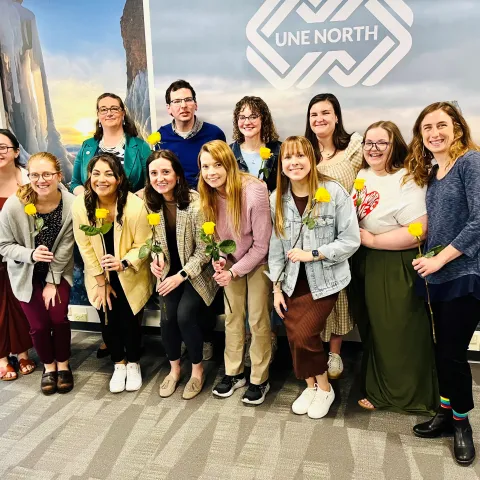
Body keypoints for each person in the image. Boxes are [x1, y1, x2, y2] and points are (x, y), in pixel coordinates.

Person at [404, 102, 480, 466]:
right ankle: (447, 414)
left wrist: (440, 258)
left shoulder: (469, 163)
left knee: (452, 353)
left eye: (441, 125)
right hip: (439, 275)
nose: (434, 133)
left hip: (465, 275)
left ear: (457, 129)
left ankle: (463, 426)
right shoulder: (434, 173)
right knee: (442, 350)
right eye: (427, 128)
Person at [348, 121, 437, 415]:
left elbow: (419, 230)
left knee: (397, 329)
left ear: (393, 145)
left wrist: (373, 239)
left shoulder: (407, 179)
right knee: (375, 329)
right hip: (364, 260)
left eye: (381, 143)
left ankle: (408, 395)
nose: (373, 149)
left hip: (393, 260)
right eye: (368, 143)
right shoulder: (362, 174)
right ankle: (380, 387)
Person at [267, 136, 359, 418]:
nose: (294, 163)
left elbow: (350, 240)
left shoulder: (333, 192)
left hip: (326, 279)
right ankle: (310, 385)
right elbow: (276, 245)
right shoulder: (277, 199)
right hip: (292, 281)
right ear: (281, 164)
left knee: (306, 334)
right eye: (287, 158)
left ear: (312, 159)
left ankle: (325, 388)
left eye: (300, 157)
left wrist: (314, 253)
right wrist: (276, 288)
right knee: (294, 335)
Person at [198, 140, 272, 405]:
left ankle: (260, 378)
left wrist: (235, 271)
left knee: (257, 318)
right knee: (232, 317)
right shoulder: (207, 193)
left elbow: (262, 245)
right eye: (205, 166)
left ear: (229, 162)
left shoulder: (254, 190)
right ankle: (234, 372)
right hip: (230, 262)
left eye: (217, 165)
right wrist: (219, 259)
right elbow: (214, 237)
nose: (211, 172)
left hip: (258, 261)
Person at [72, 153, 152, 393]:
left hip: (129, 273)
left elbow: (144, 244)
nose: (101, 179)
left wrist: (124, 263)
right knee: (107, 318)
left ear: (119, 178)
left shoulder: (135, 206)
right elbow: (84, 245)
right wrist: (100, 281)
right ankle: (119, 363)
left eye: (108, 174)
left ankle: (134, 363)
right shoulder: (81, 205)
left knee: (129, 321)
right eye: (96, 173)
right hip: (99, 274)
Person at [0, 152, 75, 395]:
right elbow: (3, 245)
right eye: (34, 175)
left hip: (57, 271)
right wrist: (30, 254)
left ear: (58, 175)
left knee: (58, 318)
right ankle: (49, 367)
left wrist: (52, 281)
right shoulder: (15, 204)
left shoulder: (72, 204)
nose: (41, 180)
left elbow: (66, 247)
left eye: (47, 174)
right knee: (39, 325)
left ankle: (63, 364)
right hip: (25, 274)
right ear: (28, 176)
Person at [145, 150, 218, 399]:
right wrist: (155, 259)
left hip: (196, 273)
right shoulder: (149, 203)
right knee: (166, 319)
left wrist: (181, 275)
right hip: (167, 273)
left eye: (166, 172)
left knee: (185, 316)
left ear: (177, 174)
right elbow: (152, 242)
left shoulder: (195, 204)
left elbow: (206, 249)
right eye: (154, 173)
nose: (160, 178)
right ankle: (175, 369)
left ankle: (197, 371)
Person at [304, 93, 363, 379]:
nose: (320, 119)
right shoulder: (304, 152)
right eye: (314, 114)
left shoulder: (353, 148)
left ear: (337, 116)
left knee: (339, 292)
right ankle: (312, 350)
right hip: (307, 237)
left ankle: (335, 353)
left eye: (326, 113)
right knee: (311, 293)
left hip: (341, 233)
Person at [230, 96, 282, 366]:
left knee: (269, 289)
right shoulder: (229, 153)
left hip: (274, 229)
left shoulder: (279, 151)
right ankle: (249, 341)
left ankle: (268, 337)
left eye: (253, 116)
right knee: (241, 299)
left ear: (264, 119)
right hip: (241, 234)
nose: (247, 122)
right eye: (242, 117)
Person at [0, 129, 34, 381]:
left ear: (15, 151)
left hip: (22, 250)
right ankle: (2, 358)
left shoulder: (28, 179)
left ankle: (22, 352)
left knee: (19, 300)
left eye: (3, 147)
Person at [71, 92, 151, 195]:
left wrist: (132, 202)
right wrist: (88, 200)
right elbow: (75, 183)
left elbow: (151, 183)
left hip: (131, 209)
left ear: (123, 113)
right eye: (103, 109)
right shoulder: (87, 146)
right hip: (93, 210)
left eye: (114, 108)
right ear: (98, 115)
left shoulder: (141, 146)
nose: (109, 113)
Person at [157, 79, 226, 190]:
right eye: (177, 101)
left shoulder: (214, 134)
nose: (183, 105)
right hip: (175, 199)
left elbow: (226, 170)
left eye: (188, 100)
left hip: (209, 198)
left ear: (196, 105)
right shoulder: (160, 137)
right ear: (169, 108)